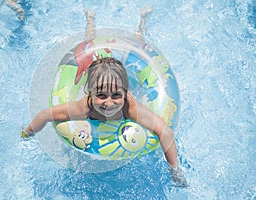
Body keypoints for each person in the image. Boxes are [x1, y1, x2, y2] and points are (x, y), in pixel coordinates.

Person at [22, 57, 188, 187]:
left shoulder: (129, 108)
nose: (108, 103)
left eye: (116, 95)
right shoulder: (83, 108)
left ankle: (141, 25)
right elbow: (45, 115)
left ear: (124, 93)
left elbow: (165, 131)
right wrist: (27, 133)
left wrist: (175, 171)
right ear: (90, 93)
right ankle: (90, 22)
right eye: (101, 96)